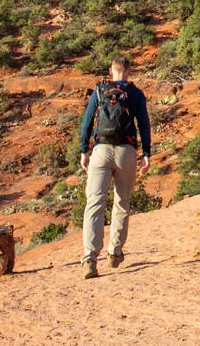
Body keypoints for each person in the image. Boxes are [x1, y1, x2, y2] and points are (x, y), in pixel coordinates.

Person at [77, 55, 151, 279]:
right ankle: (114, 253)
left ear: (111, 70)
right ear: (128, 70)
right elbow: (144, 124)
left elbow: (87, 121)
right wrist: (146, 153)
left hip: (100, 151)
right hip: (125, 152)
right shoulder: (135, 93)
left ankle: (90, 259)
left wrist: (84, 150)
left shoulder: (100, 91)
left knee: (94, 203)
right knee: (121, 202)